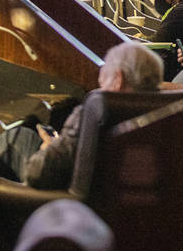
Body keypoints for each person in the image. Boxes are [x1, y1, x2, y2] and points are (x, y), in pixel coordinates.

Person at [22, 42, 163, 189]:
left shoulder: (92, 113)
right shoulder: (166, 113)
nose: (100, 82)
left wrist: (46, 148)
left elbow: (36, 175)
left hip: (66, 203)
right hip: (128, 202)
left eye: (103, 75)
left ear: (118, 79)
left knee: (14, 139)